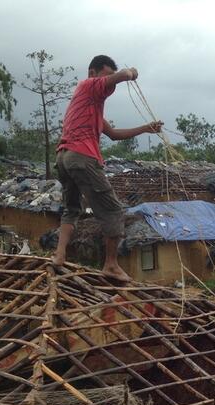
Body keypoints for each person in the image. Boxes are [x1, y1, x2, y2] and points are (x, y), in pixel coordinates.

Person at [51, 55, 162, 282]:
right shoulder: (88, 85)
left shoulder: (88, 104)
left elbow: (114, 134)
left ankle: (59, 255)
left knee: (71, 209)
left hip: (64, 157)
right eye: (106, 75)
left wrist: (145, 129)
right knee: (113, 211)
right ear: (93, 74)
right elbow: (122, 76)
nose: (109, 82)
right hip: (82, 156)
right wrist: (130, 72)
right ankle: (111, 265)